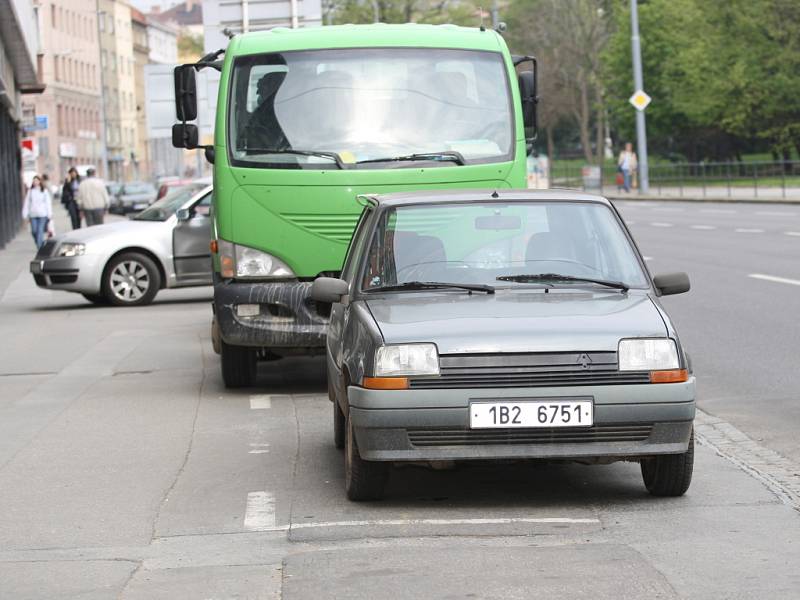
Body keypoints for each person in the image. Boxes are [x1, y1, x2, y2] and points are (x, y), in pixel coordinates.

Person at [22, 175, 53, 249]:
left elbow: (48, 203)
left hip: (42, 214)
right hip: (33, 215)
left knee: (40, 231)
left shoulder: (44, 191)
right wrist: (25, 213)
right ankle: (39, 243)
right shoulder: (30, 191)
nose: (35, 182)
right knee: (34, 231)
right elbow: (27, 203)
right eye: (34, 180)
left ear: (39, 181)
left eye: (37, 180)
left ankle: (39, 248)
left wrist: (49, 214)